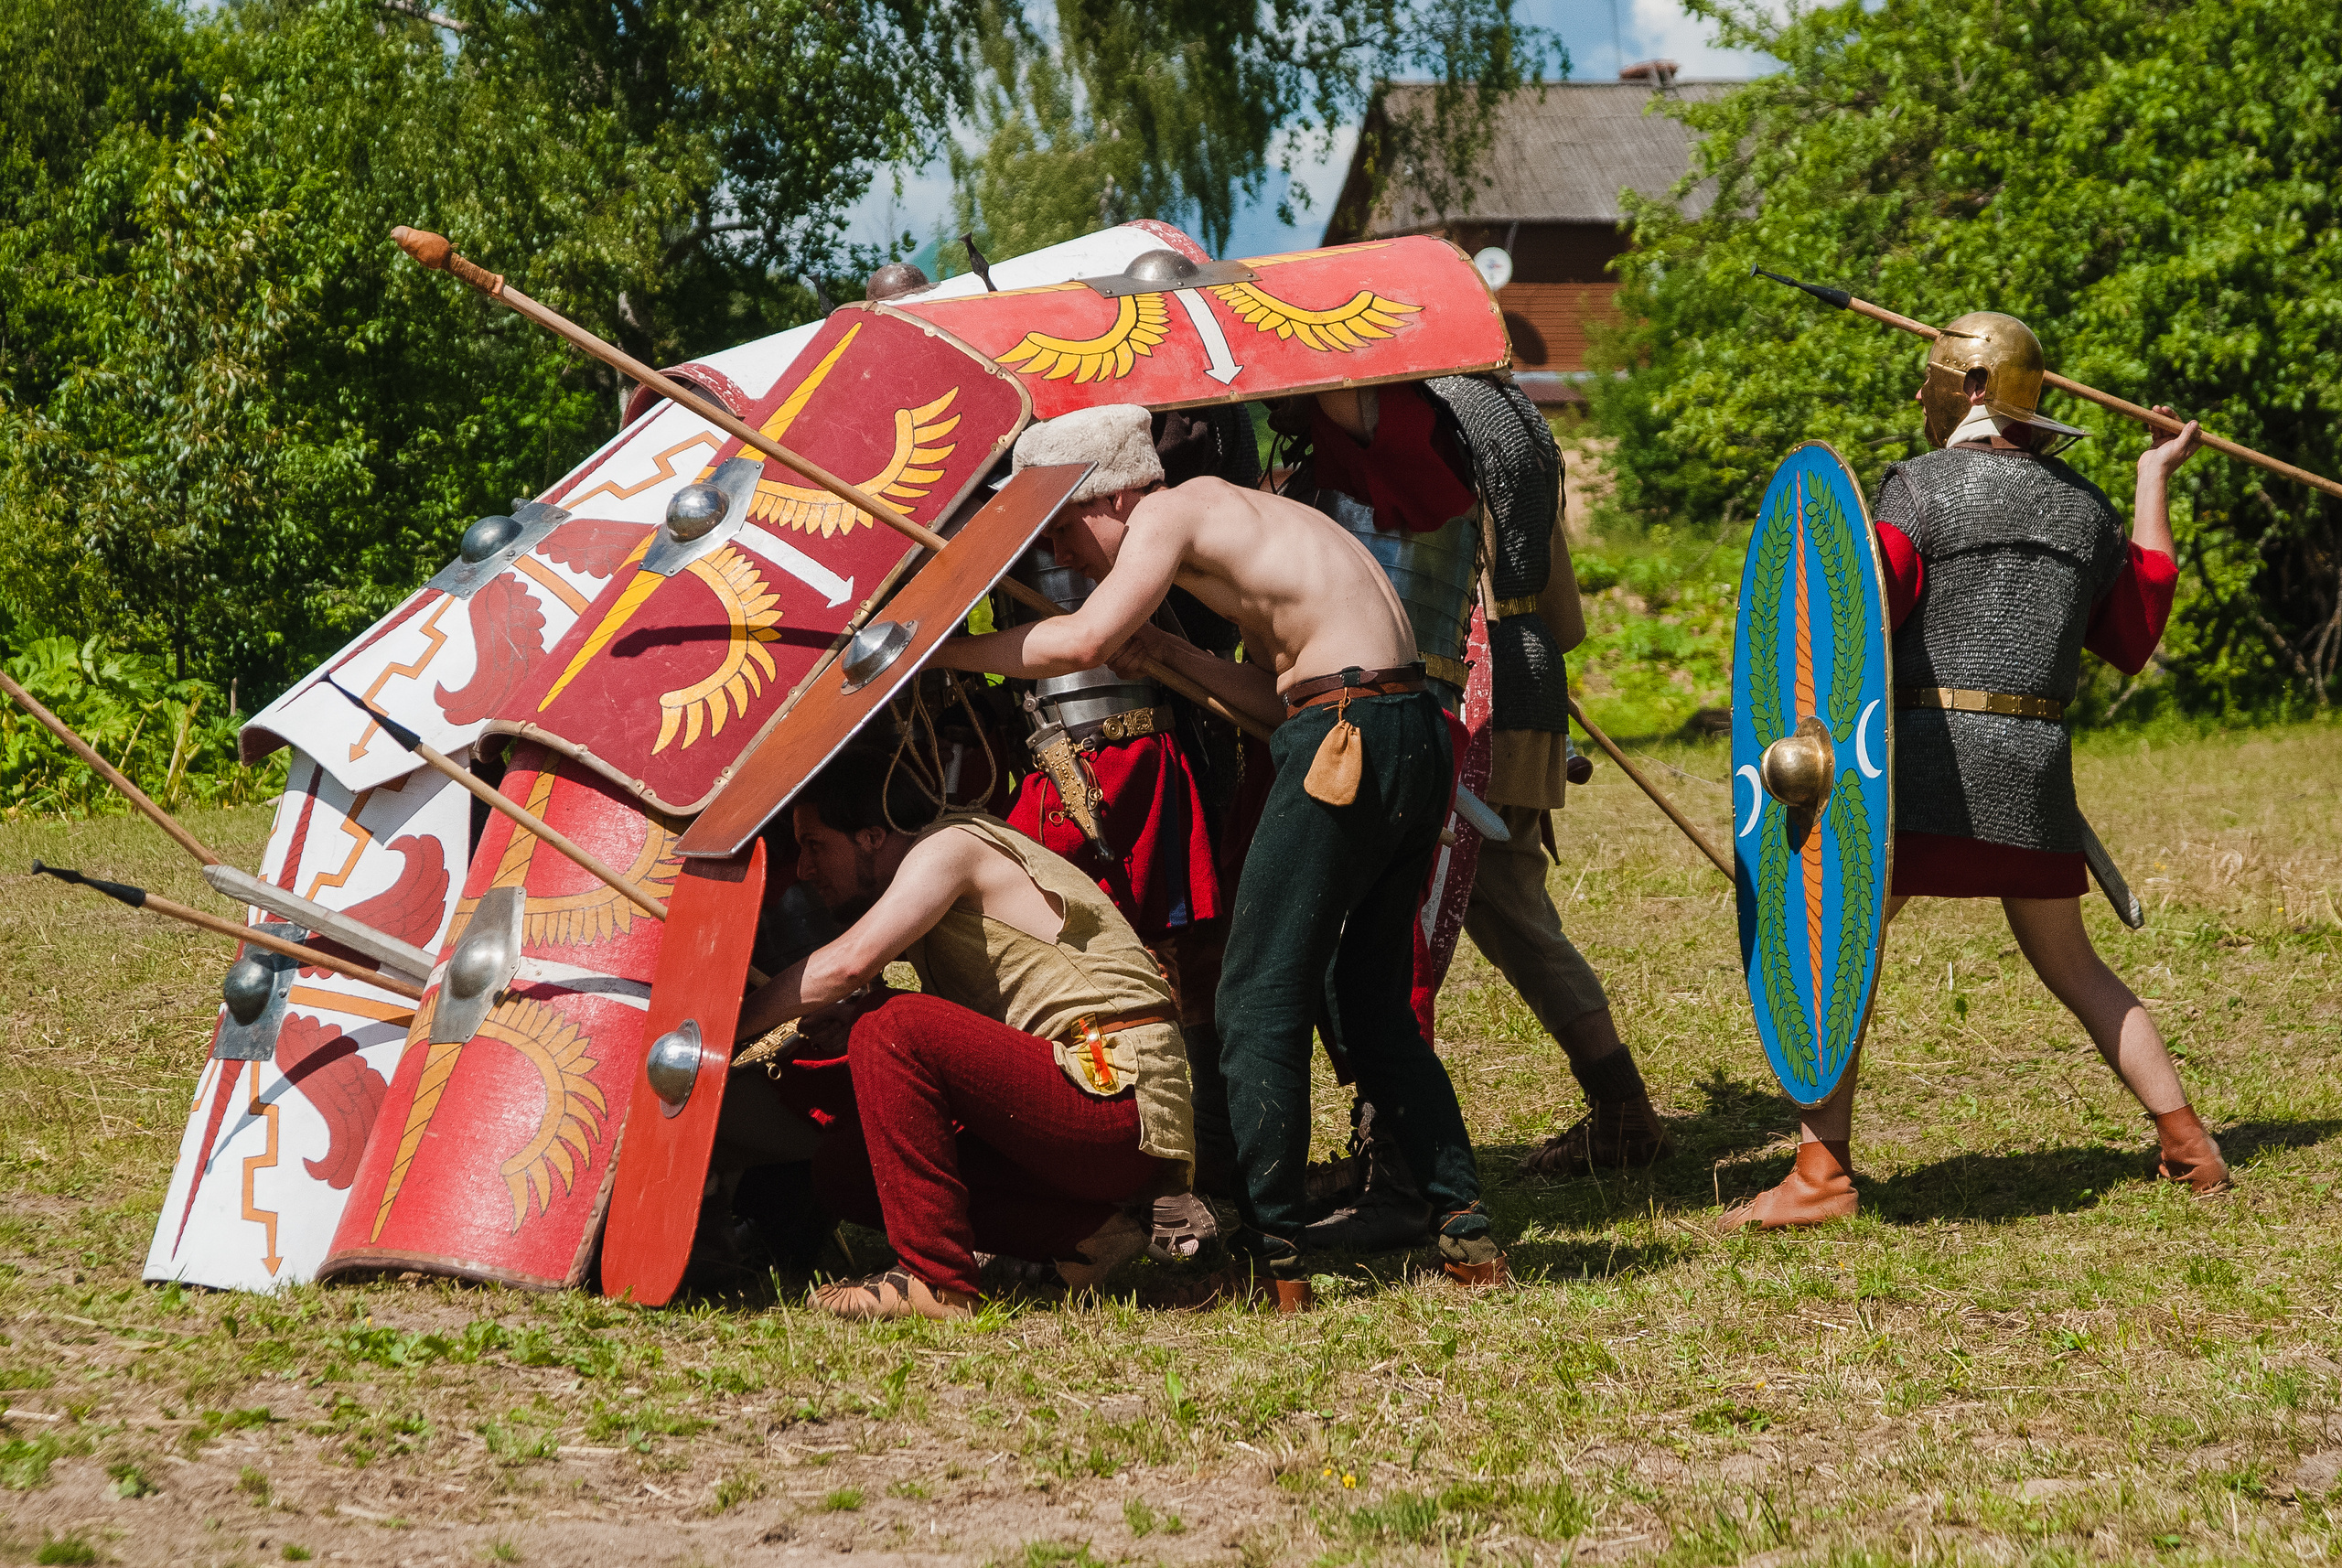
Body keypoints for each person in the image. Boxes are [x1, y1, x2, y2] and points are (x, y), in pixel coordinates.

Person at [932, 403, 1505, 1303]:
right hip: (1405, 730)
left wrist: (938, 652)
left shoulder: (1170, 509)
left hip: (1347, 736)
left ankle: (1274, 1257)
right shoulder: (1254, 521)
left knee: (1253, 999)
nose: (1064, 554)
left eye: (1064, 528)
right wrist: (1170, 650)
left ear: (1109, 496)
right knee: (1371, 1004)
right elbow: (1285, 696)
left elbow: (1081, 640)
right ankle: (1465, 1229)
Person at [1720, 311, 2218, 1230]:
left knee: (1835, 957)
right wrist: (2154, 475)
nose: (1923, 390)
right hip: (2032, 773)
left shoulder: (1920, 488)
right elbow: (2134, 631)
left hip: (1921, 773)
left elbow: (1857, 619)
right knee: (2073, 963)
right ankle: (2190, 1144)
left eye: (1934, 374)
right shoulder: (2083, 507)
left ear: (1975, 386)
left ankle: (1820, 1175)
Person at [1301, 379, 1677, 1197]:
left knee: (1400, 919)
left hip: (1454, 682)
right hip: (1524, 675)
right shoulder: (1518, 414)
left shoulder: (1412, 407)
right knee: (1510, 911)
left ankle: (1396, 1148)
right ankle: (1620, 1105)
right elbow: (1563, 614)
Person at [734, 746, 1196, 1318]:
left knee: (892, 1025)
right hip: (1083, 1115)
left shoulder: (950, 847)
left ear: (872, 836)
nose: (804, 869)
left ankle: (935, 1282)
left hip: (1114, 1101)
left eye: (815, 845)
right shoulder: (937, 863)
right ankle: (1090, 1237)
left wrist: (727, 1024)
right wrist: (853, 1020)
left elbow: (848, 964)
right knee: (845, 1173)